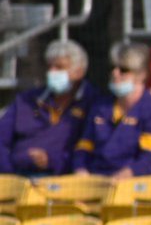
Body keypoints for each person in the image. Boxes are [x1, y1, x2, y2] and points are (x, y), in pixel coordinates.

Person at [72, 43, 151, 178]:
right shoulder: (100, 107)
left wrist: (126, 174)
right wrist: (80, 168)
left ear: (141, 75)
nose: (115, 73)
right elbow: (84, 146)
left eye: (124, 69)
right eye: (113, 68)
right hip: (95, 181)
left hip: (134, 185)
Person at [0, 39, 98, 177]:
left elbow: (90, 148)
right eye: (49, 67)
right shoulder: (26, 99)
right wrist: (8, 173)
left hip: (63, 178)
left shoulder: (94, 103)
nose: (52, 72)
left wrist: (52, 160)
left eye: (59, 67)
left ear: (79, 72)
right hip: (16, 175)